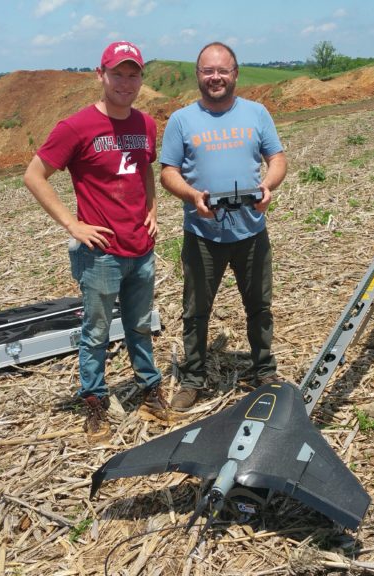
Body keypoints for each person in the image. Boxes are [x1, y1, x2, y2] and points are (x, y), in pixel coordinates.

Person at [23, 41, 171, 441]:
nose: (126, 82)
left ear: (142, 78)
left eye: (133, 74)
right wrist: (73, 225)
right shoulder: (75, 127)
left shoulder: (145, 125)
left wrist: (152, 209)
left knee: (140, 325)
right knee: (96, 332)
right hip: (101, 253)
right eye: (117, 74)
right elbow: (34, 176)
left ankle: (149, 388)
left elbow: (143, 171)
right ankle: (94, 401)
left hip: (141, 248)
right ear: (100, 75)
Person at [159, 41, 288, 410]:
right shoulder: (182, 120)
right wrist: (191, 196)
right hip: (203, 234)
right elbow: (168, 172)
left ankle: (264, 370)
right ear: (198, 75)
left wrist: (268, 185)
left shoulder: (256, 113)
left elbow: (276, 158)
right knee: (196, 310)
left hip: (251, 230)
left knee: (260, 306)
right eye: (208, 71)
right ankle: (194, 378)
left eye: (222, 70)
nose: (215, 77)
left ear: (235, 73)